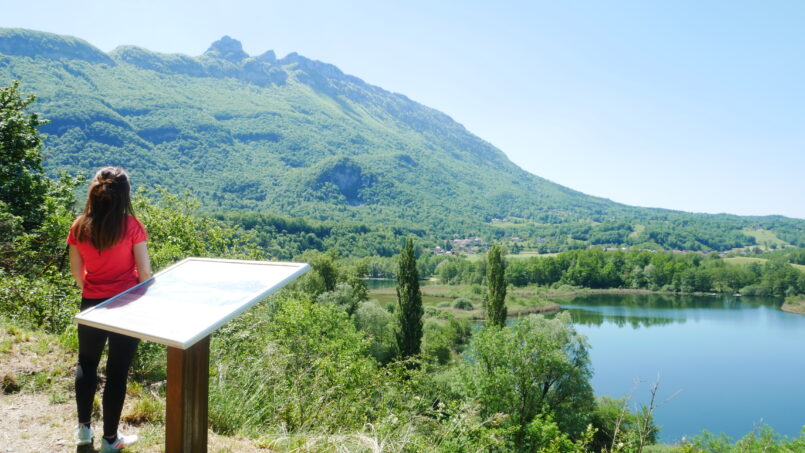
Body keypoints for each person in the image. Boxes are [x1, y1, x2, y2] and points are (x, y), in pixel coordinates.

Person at [68, 167, 152, 452]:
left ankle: (83, 431)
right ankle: (110, 440)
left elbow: (77, 272)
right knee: (117, 371)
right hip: (127, 304)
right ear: (124, 194)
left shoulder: (80, 225)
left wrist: (92, 291)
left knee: (87, 364)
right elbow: (144, 272)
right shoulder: (132, 226)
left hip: (92, 303)